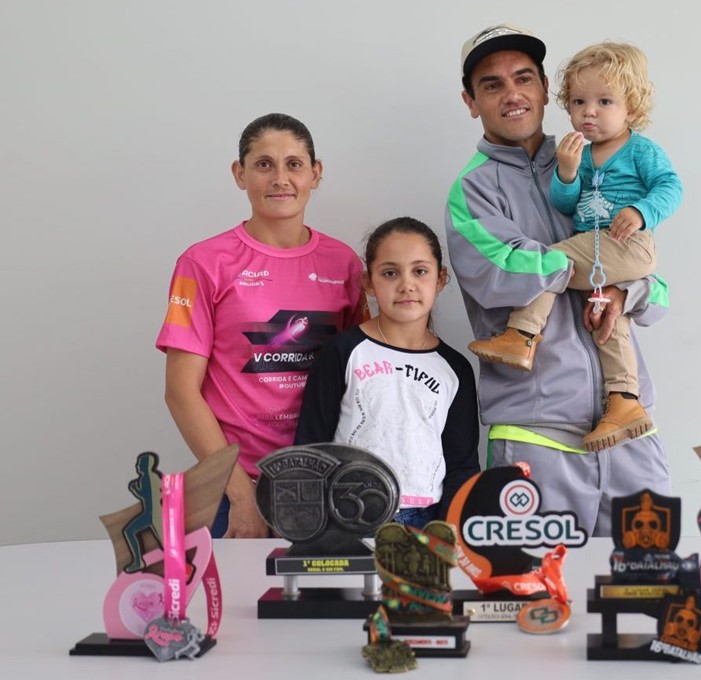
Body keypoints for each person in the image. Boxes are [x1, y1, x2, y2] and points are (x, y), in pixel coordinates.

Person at [445, 24, 671, 536]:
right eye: (492, 85)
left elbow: (655, 288)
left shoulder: (601, 159)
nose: (512, 94)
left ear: (547, 89)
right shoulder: (471, 192)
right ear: (470, 101)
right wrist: (598, 265)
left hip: (630, 426)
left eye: (524, 78)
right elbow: (505, 272)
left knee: (652, 580)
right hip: (536, 438)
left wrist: (626, 290)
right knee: (531, 584)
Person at [157, 113, 367, 538]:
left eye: (294, 164)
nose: (280, 179)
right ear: (240, 174)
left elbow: (361, 377)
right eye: (264, 164)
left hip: (324, 484)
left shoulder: (344, 263)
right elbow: (180, 392)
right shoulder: (200, 264)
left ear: (315, 173)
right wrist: (240, 494)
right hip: (234, 487)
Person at [468, 41, 682, 452]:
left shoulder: (641, 150)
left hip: (625, 244)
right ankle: (625, 400)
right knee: (609, 324)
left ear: (632, 108)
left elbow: (671, 187)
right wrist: (566, 173)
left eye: (604, 102)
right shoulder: (577, 156)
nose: (589, 112)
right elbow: (566, 203)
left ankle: (522, 334)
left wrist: (641, 212)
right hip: (597, 255)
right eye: (580, 102)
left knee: (552, 259)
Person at [295, 217, 480, 530]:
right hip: (346, 516)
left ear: (440, 279)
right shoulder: (343, 351)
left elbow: (462, 465)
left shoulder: (455, 368)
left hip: (425, 521)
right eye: (390, 273)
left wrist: (450, 530)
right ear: (368, 282)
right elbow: (311, 447)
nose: (406, 285)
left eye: (420, 271)